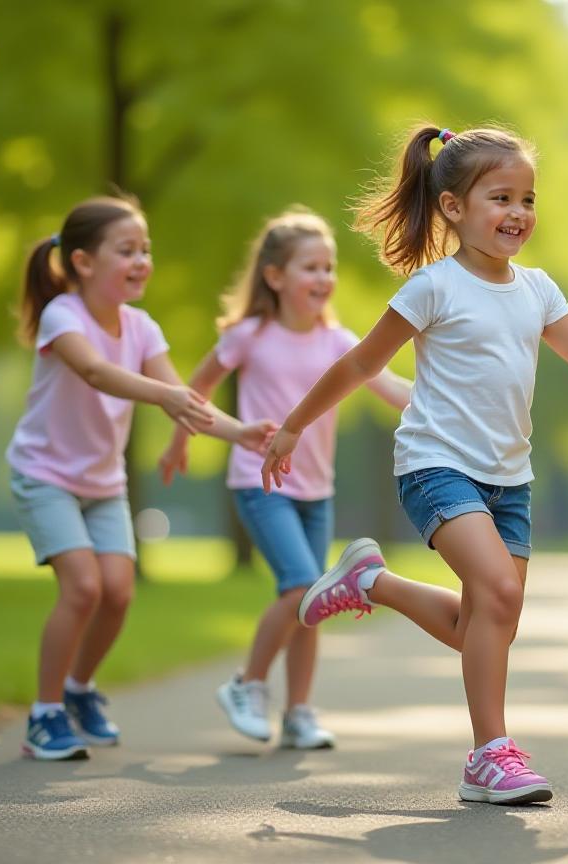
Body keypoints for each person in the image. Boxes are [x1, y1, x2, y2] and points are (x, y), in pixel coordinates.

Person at [259, 125, 568, 804]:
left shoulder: (536, 290)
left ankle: (372, 582)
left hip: (511, 478)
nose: (519, 213)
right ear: (453, 208)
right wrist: (294, 426)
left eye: (528, 199)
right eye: (500, 197)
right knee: (499, 598)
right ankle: (489, 755)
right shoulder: (433, 288)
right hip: (436, 466)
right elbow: (361, 362)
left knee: (484, 623)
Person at [7, 195, 273, 761]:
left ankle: (79, 690)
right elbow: (96, 372)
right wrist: (169, 396)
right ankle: (44, 713)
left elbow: (185, 401)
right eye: (126, 250)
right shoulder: (64, 316)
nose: (141, 260)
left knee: (119, 593)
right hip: (45, 473)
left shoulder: (142, 327)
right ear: (83, 262)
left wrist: (242, 433)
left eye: (145, 250)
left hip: (102, 483)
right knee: (82, 588)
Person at [158, 207, 411, 750]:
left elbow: (391, 387)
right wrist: (180, 439)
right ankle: (247, 685)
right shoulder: (251, 335)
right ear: (275, 277)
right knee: (302, 586)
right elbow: (194, 390)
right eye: (310, 268)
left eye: (329, 267)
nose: (323, 278)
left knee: (313, 600)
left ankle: (298, 712)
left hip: (317, 491)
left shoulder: (339, 340)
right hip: (260, 483)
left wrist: (449, 400)